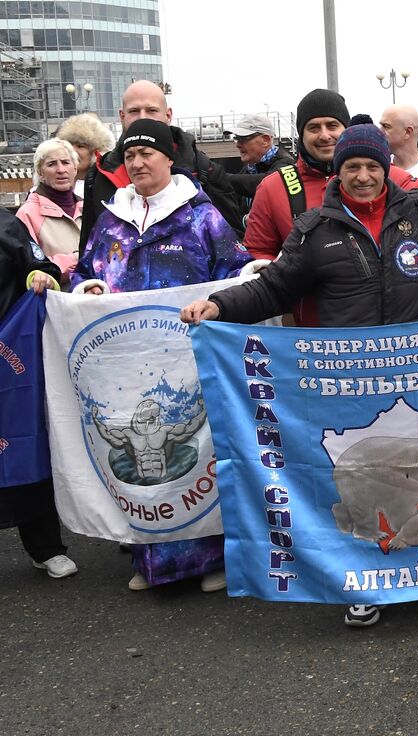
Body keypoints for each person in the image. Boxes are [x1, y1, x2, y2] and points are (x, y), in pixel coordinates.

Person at [180, 97, 418, 628]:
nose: (364, 176)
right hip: (352, 389)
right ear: (338, 170)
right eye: (352, 166)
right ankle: (362, 581)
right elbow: (274, 288)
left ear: (385, 168)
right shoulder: (313, 231)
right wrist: (221, 305)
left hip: (414, 381)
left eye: (372, 166)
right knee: (366, 489)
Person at [66, 118, 249, 592]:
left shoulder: (200, 215)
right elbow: (86, 270)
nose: (138, 162)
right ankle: (151, 563)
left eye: (147, 153)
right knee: (136, 456)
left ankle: (211, 560)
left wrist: (252, 272)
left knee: (196, 452)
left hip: (189, 362)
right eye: (129, 155)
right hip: (128, 365)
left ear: (170, 157)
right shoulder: (111, 218)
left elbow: (234, 268)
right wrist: (82, 286)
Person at [242, 89, 418, 325]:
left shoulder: (384, 177)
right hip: (317, 339)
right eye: (314, 127)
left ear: (346, 129)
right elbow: (257, 255)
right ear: (301, 134)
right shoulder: (273, 187)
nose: (324, 135)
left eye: (332, 125)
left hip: (390, 337)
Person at [0, 209, 76, 581]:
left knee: (24, 441)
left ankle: (45, 547)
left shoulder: (5, 223)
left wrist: (41, 275)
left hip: (10, 357)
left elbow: (37, 264)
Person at [79, 80, 242, 250]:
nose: (143, 117)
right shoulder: (99, 175)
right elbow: (88, 250)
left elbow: (232, 243)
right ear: (122, 116)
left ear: (168, 115)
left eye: (152, 110)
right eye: (134, 111)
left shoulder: (204, 170)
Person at [16, 139, 83, 287]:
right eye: (52, 164)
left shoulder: (87, 207)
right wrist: (77, 259)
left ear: (75, 168)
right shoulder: (27, 214)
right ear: (40, 172)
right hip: (54, 304)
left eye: (66, 162)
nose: (60, 170)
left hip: (91, 300)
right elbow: (29, 266)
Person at [223, 114, 294, 211]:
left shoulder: (287, 166)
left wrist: (219, 176)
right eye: (237, 139)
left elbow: (265, 183)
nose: (238, 145)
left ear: (266, 140)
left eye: (243, 139)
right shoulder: (249, 169)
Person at [55, 112, 114, 200]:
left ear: (95, 152)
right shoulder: (52, 185)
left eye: (80, 146)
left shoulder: (104, 187)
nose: (73, 151)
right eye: (69, 145)